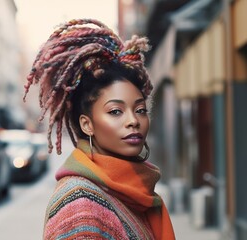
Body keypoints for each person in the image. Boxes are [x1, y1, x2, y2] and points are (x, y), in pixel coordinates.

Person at [23, 18, 175, 240]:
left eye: (140, 110)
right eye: (115, 111)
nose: (133, 121)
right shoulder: (80, 207)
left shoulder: (134, 191)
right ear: (87, 124)